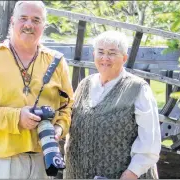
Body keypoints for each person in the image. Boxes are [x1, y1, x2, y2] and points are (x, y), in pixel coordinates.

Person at [0, 1, 73, 179]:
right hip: (4, 159)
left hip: (45, 158)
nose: (29, 25)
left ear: (44, 25)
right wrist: (17, 117)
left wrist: (58, 128)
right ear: (12, 21)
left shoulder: (56, 61)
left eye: (36, 20)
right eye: (23, 18)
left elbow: (67, 106)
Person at [64, 31, 161, 179]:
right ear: (94, 55)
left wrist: (131, 173)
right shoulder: (85, 84)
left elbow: (150, 142)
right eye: (101, 52)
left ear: (124, 58)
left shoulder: (138, 89)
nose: (105, 58)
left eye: (112, 53)